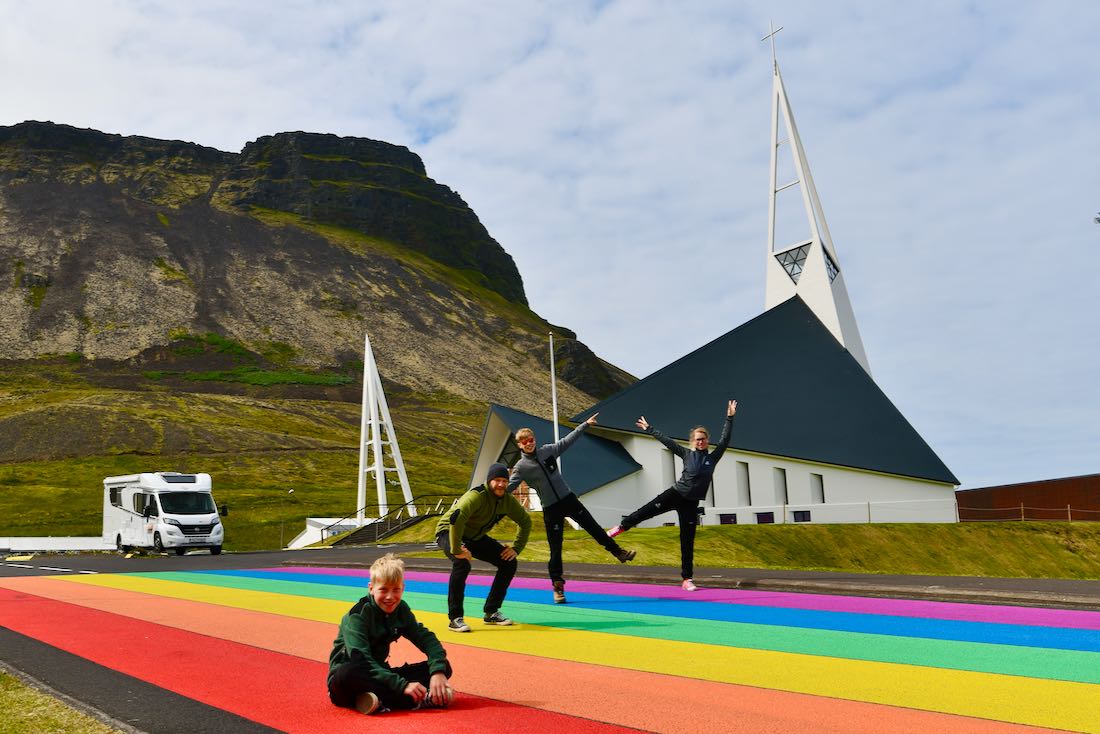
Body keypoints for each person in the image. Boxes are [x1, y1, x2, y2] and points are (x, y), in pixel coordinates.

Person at [608, 400, 737, 591]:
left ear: (707, 440)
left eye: (703, 439)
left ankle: (687, 579)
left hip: (691, 504)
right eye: (697, 439)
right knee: (646, 511)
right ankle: (620, 527)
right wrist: (649, 428)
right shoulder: (687, 454)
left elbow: (725, 439)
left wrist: (730, 417)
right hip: (675, 494)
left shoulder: (712, 458)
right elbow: (668, 442)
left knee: (687, 540)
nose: (700, 441)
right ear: (693, 441)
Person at [508, 413, 636, 604]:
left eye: (531, 440)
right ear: (519, 445)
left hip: (568, 499)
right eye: (524, 441)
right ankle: (558, 588)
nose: (529, 443)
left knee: (593, 527)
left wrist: (585, 424)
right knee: (556, 549)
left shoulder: (548, 451)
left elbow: (568, 441)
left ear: (535, 440)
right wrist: (490, 492)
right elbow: (507, 486)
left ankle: (618, 552)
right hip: (551, 508)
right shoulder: (521, 467)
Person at [327, 553, 453, 715]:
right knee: (350, 672)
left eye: (396, 590)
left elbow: (426, 638)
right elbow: (362, 661)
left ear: (403, 588)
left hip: (380, 675)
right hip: (348, 679)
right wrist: (403, 685)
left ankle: (374, 699)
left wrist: (437, 672)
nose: (390, 597)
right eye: (383, 590)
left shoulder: (401, 610)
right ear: (371, 588)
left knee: (444, 666)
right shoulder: (358, 616)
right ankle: (416, 699)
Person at [435, 462, 532, 632]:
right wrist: (457, 549)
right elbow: (456, 519)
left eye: (504, 480)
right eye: (497, 480)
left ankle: (491, 612)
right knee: (462, 563)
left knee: (508, 562)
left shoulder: (507, 501)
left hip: (475, 537)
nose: (501, 484)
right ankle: (455, 618)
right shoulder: (477, 496)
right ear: (489, 481)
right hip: (447, 531)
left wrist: (516, 548)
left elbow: (525, 521)